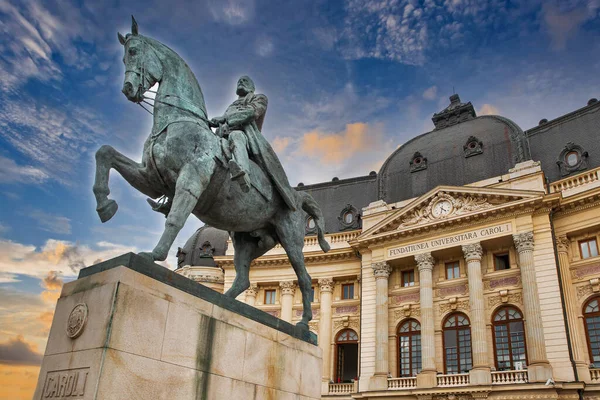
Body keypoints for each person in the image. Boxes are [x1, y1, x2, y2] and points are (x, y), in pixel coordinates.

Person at [147, 76, 296, 215]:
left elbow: (251, 113)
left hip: (245, 139)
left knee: (236, 136)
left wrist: (224, 118)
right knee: (196, 159)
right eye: (239, 81)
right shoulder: (232, 105)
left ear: (252, 87)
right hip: (222, 138)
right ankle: (172, 201)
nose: (240, 82)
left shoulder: (259, 98)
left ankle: (243, 172)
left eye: (244, 81)